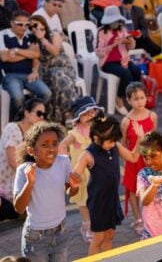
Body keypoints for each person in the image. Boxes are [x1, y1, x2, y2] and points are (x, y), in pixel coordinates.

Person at [71, 115, 143, 255]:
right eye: (110, 141)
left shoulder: (115, 146)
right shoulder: (87, 155)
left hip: (112, 198)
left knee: (110, 234)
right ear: (96, 138)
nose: (113, 144)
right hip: (98, 201)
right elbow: (75, 173)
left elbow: (133, 157)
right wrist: (73, 179)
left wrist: (140, 139)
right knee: (98, 238)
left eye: (115, 141)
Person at [13, 122, 81, 262]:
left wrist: (74, 186)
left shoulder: (63, 162)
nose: (51, 149)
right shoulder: (24, 170)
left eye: (55, 144)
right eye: (45, 145)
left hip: (61, 232)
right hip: (35, 238)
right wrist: (29, 183)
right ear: (31, 151)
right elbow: (19, 208)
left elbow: (70, 191)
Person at [0, 98, 46, 221]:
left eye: (44, 115)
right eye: (39, 113)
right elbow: (12, 162)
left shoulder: (35, 134)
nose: (42, 117)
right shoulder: (12, 128)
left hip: (21, 183)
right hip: (4, 186)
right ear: (26, 113)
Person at [59, 96, 103, 244]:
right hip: (81, 174)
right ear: (79, 117)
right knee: (83, 201)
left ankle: (96, 224)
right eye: (86, 114)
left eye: (92, 112)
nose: (90, 116)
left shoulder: (97, 129)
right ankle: (86, 226)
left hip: (96, 171)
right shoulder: (75, 133)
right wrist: (63, 156)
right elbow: (63, 144)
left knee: (96, 200)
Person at [0, 10, 52, 113]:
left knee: (46, 93)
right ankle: (20, 117)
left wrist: (17, 51)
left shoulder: (30, 35)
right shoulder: (2, 35)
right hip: (9, 75)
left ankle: (29, 112)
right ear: (12, 23)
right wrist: (28, 53)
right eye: (20, 24)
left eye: (26, 25)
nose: (23, 27)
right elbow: (5, 57)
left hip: (29, 74)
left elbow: (36, 55)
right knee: (18, 97)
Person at [121, 82, 158, 235]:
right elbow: (123, 143)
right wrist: (125, 162)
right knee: (132, 189)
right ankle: (138, 219)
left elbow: (154, 138)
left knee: (151, 187)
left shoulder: (152, 116)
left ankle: (151, 216)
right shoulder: (126, 121)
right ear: (128, 100)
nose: (140, 102)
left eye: (142, 98)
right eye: (136, 99)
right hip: (133, 160)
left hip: (149, 159)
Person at [29, 15, 78, 124]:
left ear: (43, 23)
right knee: (56, 76)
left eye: (36, 25)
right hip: (47, 71)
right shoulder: (33, 41)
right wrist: (35, 71)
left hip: (64, 68)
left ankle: (65, 114)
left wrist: (43, 39)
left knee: (58, 75)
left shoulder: (54, 35)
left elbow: (55, 52)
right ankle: (67, 113)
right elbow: (35, 58)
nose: (34, 28)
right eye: (31, 27)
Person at [95, 6, 142, 115]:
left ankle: (134, 96)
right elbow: (98, 52)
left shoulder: (122, 29)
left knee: (136, 71)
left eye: (117, 20)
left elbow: (131, 47)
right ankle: (119, 98)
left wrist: (129, 42)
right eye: (113, 21)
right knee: (126, 73)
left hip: (123, 59)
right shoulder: (101, 32)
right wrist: (112, 45)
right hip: (107, 62)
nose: (115, 23)